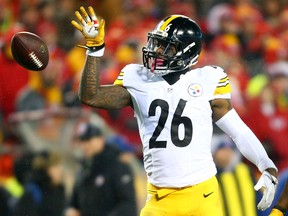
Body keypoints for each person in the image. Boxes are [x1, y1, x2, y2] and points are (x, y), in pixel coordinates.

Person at [71, 6, 278, 215]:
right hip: (160, 199)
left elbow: (237, 129)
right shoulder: (138, 78)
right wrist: (95, 49)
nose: (157, 50)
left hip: (203, 195)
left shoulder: (207, 79)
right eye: (157, 43)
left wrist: (266, 165)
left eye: (166, 47)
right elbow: (91, 95)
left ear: (187, 52)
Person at [65, 122, 137, 216]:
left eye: (88, 140)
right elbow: (74, 203)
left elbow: (128, 205)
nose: (84, 145)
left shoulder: (117, 164)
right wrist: (71, 210)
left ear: (101, 139)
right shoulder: (83, 168)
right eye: (82, 141)